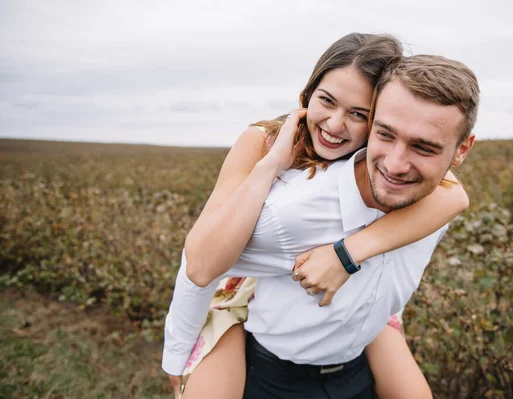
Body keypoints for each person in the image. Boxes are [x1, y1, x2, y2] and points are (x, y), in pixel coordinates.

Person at [163, 35, 477, 398]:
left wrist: (347, 254)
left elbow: (454, 197)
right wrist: (271, 165)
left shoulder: (390, 168)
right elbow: (200, 260)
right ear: (308, 94)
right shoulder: (263, 142)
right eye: (326, 101)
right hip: (236, 288)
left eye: (359, 114)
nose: (335, 124)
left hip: (355, 322)